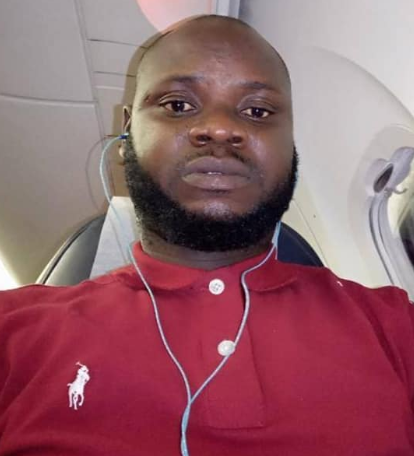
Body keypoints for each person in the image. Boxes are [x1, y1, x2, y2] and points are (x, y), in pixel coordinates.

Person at [1, 14, 414, 456]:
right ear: (128, 131)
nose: (220, 128)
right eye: (178, 105)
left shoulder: (393, 325)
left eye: (257, 111)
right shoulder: (16, 331)